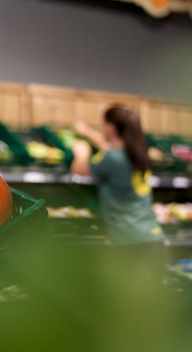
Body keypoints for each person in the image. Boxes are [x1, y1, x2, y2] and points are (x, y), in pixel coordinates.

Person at [70, 105, 165, 257]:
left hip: (128, 244)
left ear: (110, 127)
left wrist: (82, 152)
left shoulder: (113, 158)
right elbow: (108, 148)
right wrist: (87, 132)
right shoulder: (137, 153)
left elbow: (79, 170)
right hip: (152, 239)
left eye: (103, 124)